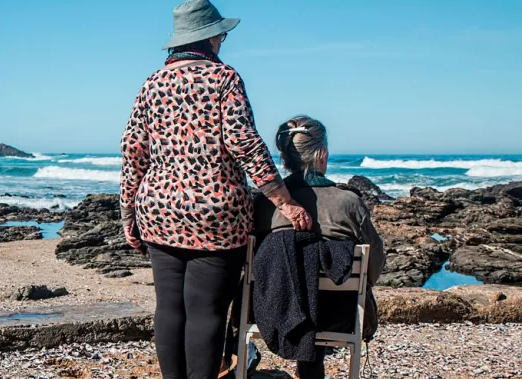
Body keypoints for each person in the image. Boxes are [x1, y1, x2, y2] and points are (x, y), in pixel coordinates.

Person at [119, 1, 313, 377]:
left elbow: (133, 151)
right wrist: (283, 201)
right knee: (207, 310)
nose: (222, 42)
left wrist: (129, 213)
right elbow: (244, 142)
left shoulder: (152, 83)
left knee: (169, 308)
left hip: (158, 210)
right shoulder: (225, 79)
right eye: (221, 35)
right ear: (209, 37)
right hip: (216, 215)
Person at [253, 115, 386, 379]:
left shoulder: (264, 204)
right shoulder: (348, 203)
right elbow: (374, 266)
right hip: (338, 313)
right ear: (321, 154)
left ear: (285, 158)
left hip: (271, 312)